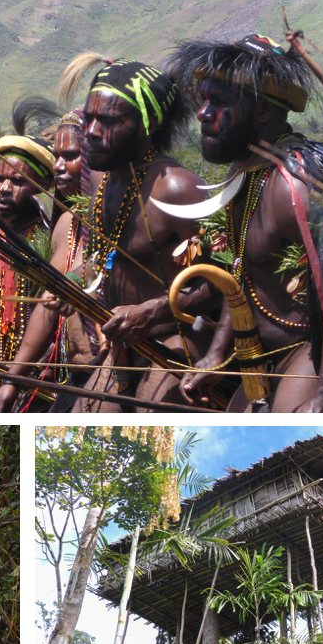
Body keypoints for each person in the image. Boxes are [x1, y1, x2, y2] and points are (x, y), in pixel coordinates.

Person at [170, 35, 323, 412]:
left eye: (219, 102)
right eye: (204, 100)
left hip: (312, 354)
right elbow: (242, 278)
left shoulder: (295, 186)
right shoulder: (250, 173)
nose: (203, 113)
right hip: (260, 359)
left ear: (264, 112)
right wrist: (217, 356)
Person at [49, 54, 212, 412]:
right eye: (89, 118)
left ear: (147, 124)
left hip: (178, 339)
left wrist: (151, 312)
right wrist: (77, 283)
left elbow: (219, 284)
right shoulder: (105, 184)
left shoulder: (175, 189)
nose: (90, 131)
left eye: (107, 120)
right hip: (124, 346)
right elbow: (110, 261)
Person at [0, 111, 97, 412]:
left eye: (72, 156)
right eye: (57, 157)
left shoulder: (120, 218)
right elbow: (49, 305)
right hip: (69, 377)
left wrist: (80, 278)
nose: (59, 166)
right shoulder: (65, 224)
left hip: (114, 377)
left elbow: (106, 266)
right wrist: (13, 378)